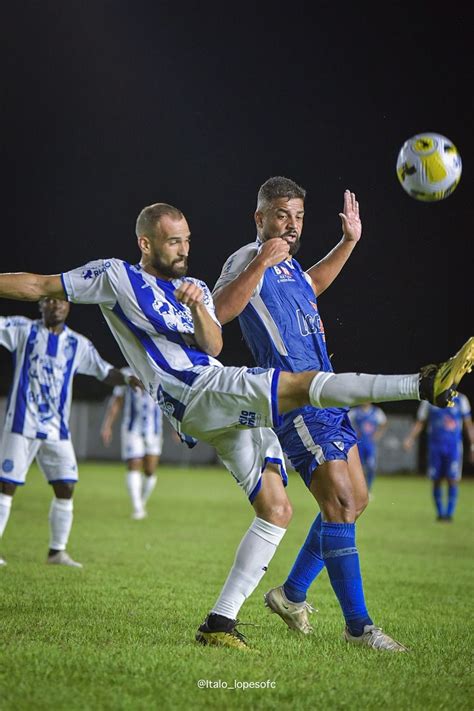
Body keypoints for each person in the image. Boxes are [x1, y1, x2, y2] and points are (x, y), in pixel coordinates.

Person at [0, 203, 471, 650]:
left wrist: (198, 308)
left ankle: (220, 622)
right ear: (145, 243)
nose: (183, 249)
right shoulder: (116, 276)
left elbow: (214, 341)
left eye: (186, 240)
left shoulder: (198, 288)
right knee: (302, 387)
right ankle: (422, 383)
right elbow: (40, 284)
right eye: (171, 242)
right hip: (197, 391)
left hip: (211, 397)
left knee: (277, 508)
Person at [211, 176, 469, 651]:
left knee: (357, 500)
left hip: (327, 393)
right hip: (297, 400)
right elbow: (218, 312)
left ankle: (290, 595)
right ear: (260, 217)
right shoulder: (247, 259)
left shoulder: (290, 270)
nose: (290, 226)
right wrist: (259, 262)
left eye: (299, 217)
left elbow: (313, 284)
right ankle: (359, 628)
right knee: (341, 505)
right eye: (281, 215)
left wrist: (347, 242)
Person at [0, 298, 139, 567]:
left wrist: (126, 377)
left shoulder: (78, 344)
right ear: (41, 306)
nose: (55, 306)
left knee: (66, 486)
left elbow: (103, 370)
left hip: (57, 429)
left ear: (69, 308)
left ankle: (57, 552)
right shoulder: (24, 330)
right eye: (49, 301)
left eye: (61, 302)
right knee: (6, 486)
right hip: (21, 424)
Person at [101, 366, 163, 520]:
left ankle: (140, 502)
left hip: (153, 429)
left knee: (149, 470)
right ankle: (137, 508)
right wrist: (107, 425)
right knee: (134, 463)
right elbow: (117, 401)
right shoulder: (126, 373)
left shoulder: (160, 371)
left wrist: (180, 427)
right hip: (131, 428)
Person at [403, 393, 474, 521]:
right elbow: (420, 422)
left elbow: (468, 424)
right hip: (435, 447)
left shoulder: (461, 400)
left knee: (453, 479)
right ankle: (440, 513)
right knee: (436, 480)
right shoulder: (429, 400)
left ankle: (450, 513)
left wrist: (472, 445)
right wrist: (410, 438)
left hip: (454, 447)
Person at [349, 403, 387, 492]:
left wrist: (377, 435)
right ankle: (358, 489)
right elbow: (345, 422)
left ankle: (368, 488)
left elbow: (384, 424)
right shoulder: (355, 412)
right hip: (358, 444)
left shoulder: (376, 412)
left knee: (371, 466)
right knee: (358, 468)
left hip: (370, 444)